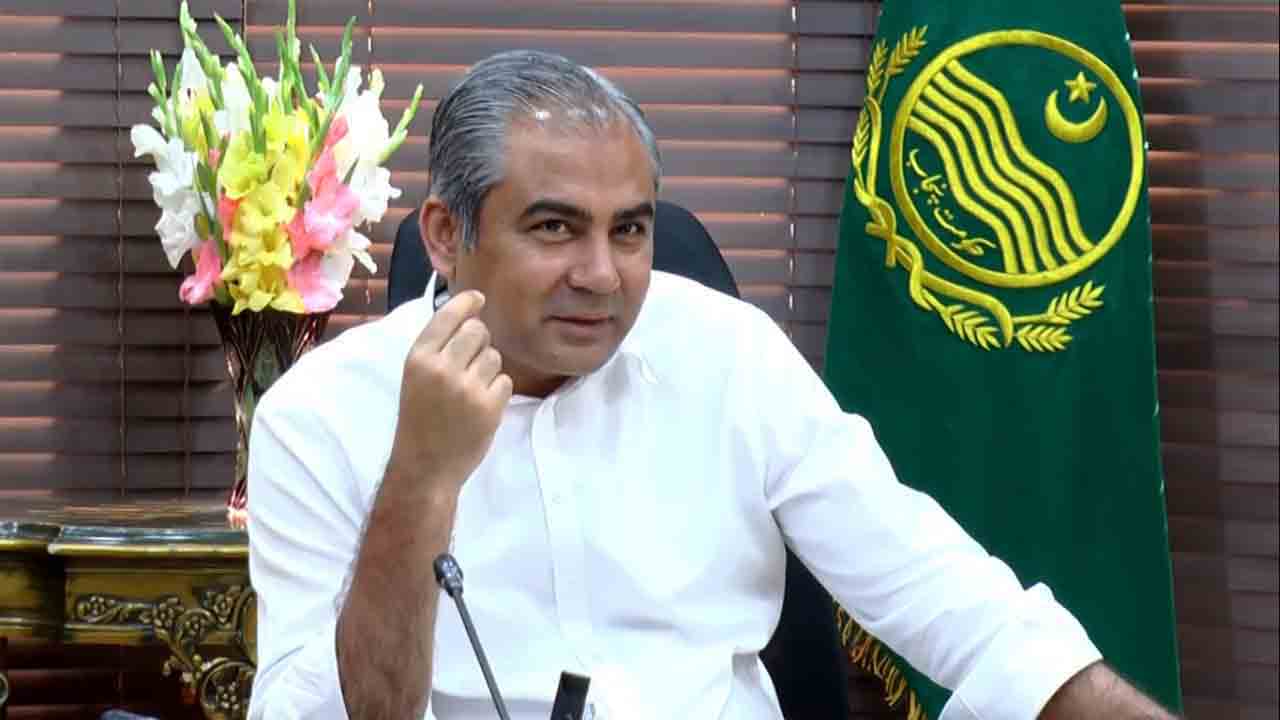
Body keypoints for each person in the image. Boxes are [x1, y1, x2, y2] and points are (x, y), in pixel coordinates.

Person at [246, 50, 1179, 720]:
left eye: (629, 230)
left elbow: (949, 597)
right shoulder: (318, 417)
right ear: (448, 236)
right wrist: (420, 479)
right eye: (555, 228)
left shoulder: (730, 356)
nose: (602, 275)